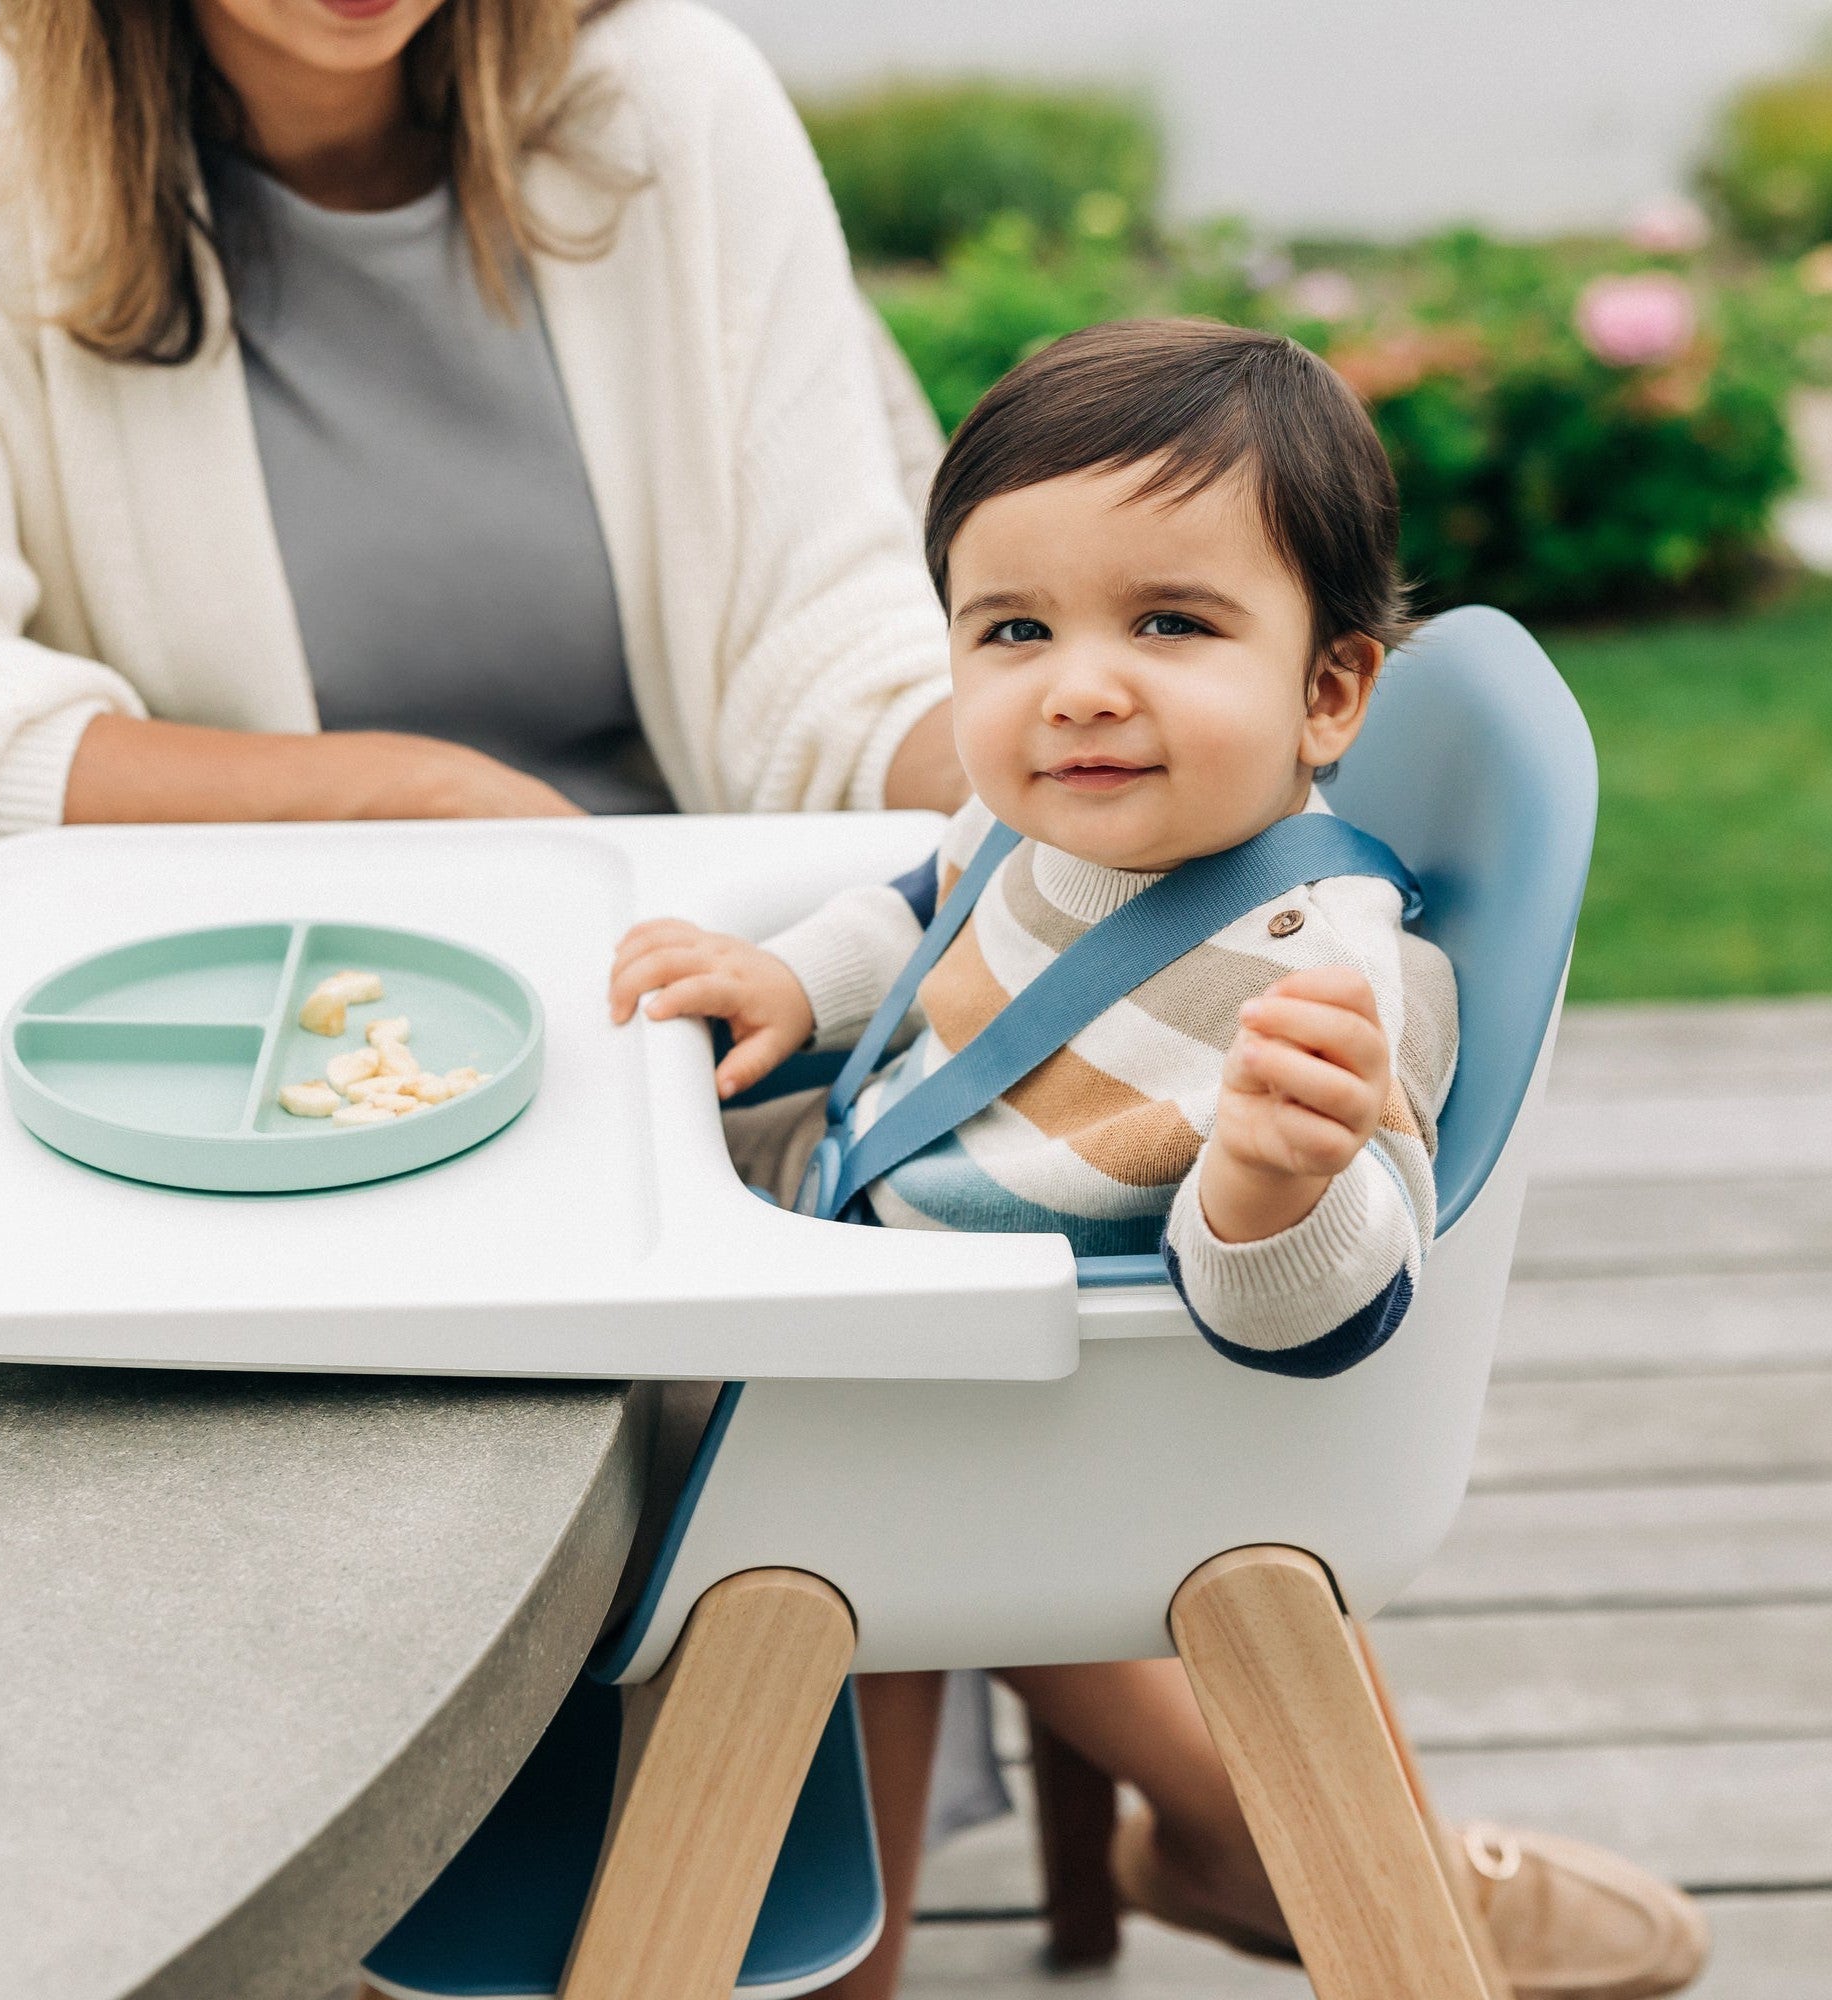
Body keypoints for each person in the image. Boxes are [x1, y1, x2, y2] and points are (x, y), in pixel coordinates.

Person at [609, 319, 1710, 2000]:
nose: (1079, 685)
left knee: (618, 1482)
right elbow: (927, 916)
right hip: (893, 1323)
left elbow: (1327, 1319)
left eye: (1170, 624)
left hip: (1039, 1430)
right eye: (1015, 630)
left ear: (1327, 692)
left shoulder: (1324, 989)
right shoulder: (1040, 820)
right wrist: (790, 983)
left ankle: (794, 1935)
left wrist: (1274, 1185)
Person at [0, 0, 964, 935]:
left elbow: (830, 641)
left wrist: (1032, 780)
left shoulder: (675, 98)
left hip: (697, 978)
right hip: (260, 1026)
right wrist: (402, 797)